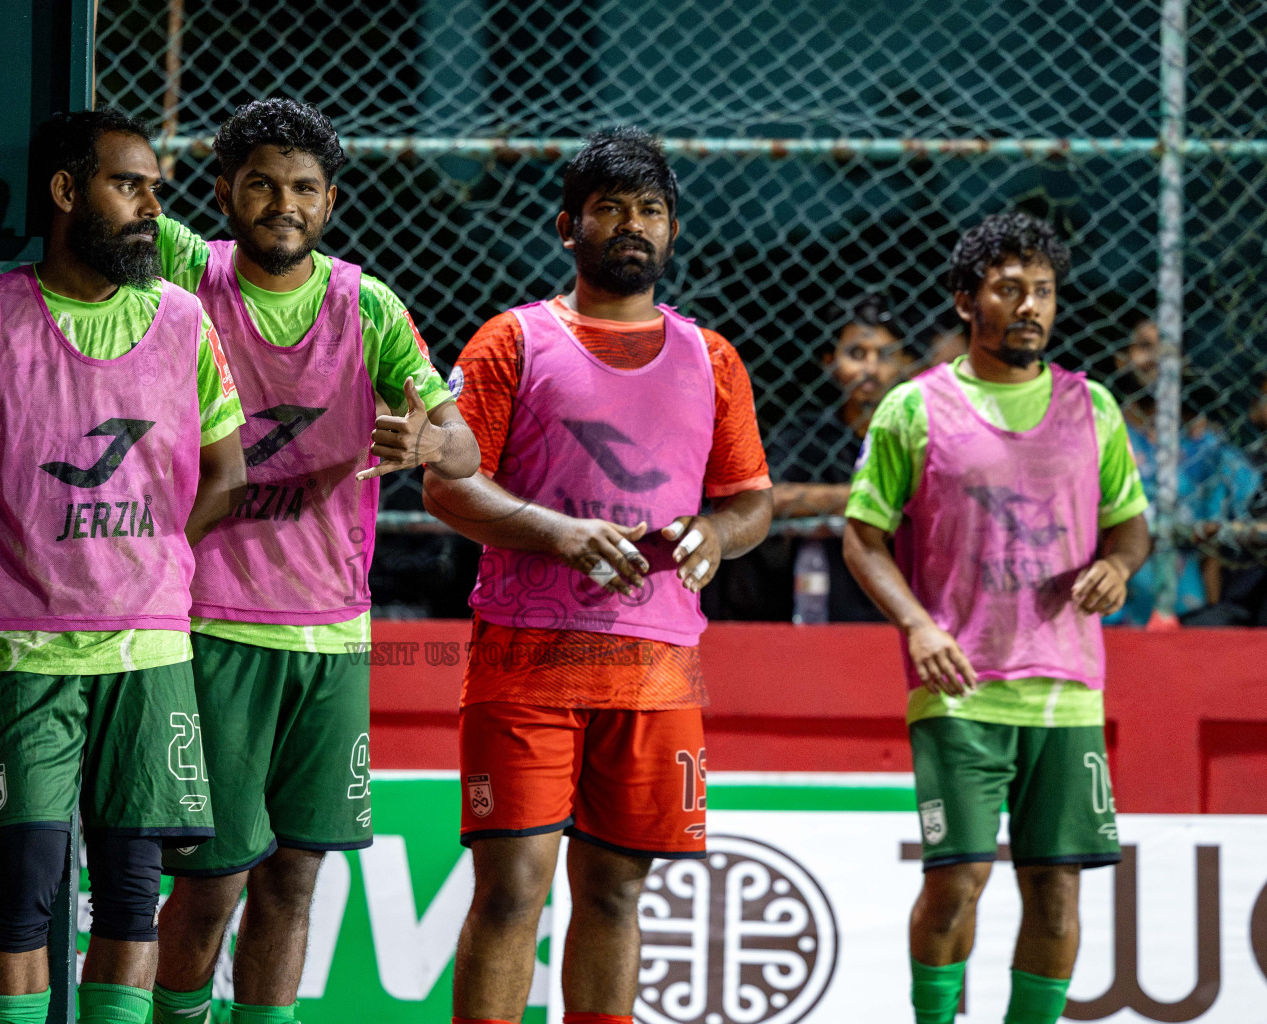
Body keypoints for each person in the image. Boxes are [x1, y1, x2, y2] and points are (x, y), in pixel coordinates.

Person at [0, 109, 247, 1024]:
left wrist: (150, 561)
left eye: (157, 188)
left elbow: (229, 474)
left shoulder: (185, 322)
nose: (152, 207)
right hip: (27, 658)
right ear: (68, 192)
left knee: (128, 893)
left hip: (149, 655)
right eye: (130, 185)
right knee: (23, 894)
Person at [424, 128, 774, 1024]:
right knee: (512, 892)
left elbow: (749, 501)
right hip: (526, 660)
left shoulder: (713, 358)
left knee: (617, 894)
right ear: (567, 227)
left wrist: (714, 536)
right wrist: (559, 535)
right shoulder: (511, 343)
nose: (632, 226)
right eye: (610, 209)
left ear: (673, 230)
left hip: (658, 670)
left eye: (649, 210)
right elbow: (446, 485)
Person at [145, 97, 479, 1024]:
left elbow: (462, 448)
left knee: (295, 877)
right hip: (206, 623)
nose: (281, 203)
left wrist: (427, 441)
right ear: (224, 191)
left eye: (302, 188)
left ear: (329, 201)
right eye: (260, 184)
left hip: (331, 636)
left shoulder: (366, 306)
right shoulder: (185, 269)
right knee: (211, 880)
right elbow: (113, 192)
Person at [842, 212, 1151, 1024]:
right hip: (959, 690)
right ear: (964, 300)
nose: (1029, 306)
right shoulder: (915, 410)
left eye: (1042, 291)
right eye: (1008, 288)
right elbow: (863, 539)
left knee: (1055, 890)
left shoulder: (1095, 408)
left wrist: (1117, 566)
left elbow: (1131, 524)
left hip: (1067, 690)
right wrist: (916, 624)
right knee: (957, 882)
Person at [1109, 318, 1260, 623]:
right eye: (1144, 346)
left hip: (1189, 608)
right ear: (1121, 358)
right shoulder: (1105, 431)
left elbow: (1243, 502)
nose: (1156, 359)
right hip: (1114, 603)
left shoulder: (1204, 445)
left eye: (1169, 350)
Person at [766, 294, 906, 621]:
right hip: (822, 604)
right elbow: (765, 499)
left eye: (884, 355)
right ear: (830, 361)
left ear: (904, 362)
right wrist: (869, 498)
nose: (870, 368)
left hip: (905, 602)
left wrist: (822, 500)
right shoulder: (808, 434)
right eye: (857, 354)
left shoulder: (920, 434)